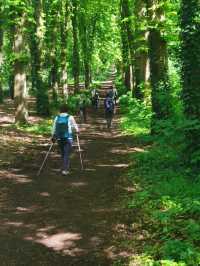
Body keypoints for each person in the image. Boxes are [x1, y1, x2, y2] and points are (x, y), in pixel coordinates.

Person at [51, 104, 79, 176]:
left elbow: (53, 128)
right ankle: (65, 169)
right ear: (67, 110)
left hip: (59, 138)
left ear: (60, 110)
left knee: (63, 153)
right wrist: (77, 131)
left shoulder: (57, 117)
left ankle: (63, 167)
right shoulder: (70, 117)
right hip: (68, 137)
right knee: (67, 153)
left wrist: (53, 136)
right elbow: (75, 126)